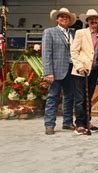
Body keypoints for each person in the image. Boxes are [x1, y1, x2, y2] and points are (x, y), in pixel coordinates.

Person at [42, 7, 77, 135]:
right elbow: (46, 53)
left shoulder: (73, 33)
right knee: (53, 97)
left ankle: (67, 122)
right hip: (55, 71)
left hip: (71, 69)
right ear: (57, 19)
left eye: (66, 17)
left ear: (69, 20)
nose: (64, 18)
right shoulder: (49, 32)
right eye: (61, 16)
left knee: (69, 97)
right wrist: (48, 72)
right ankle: (49, 124)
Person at [70, 9, 98, 135]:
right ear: (87, 21)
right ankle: (79, 124)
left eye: (95, 19)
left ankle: (87, 122)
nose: (93, 21)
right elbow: (74, 51)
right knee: (80, 99)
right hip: (81, 71)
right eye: (91, 20)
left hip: (94, 70)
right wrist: (79, 66)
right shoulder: (80, 33)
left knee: (88, 97)